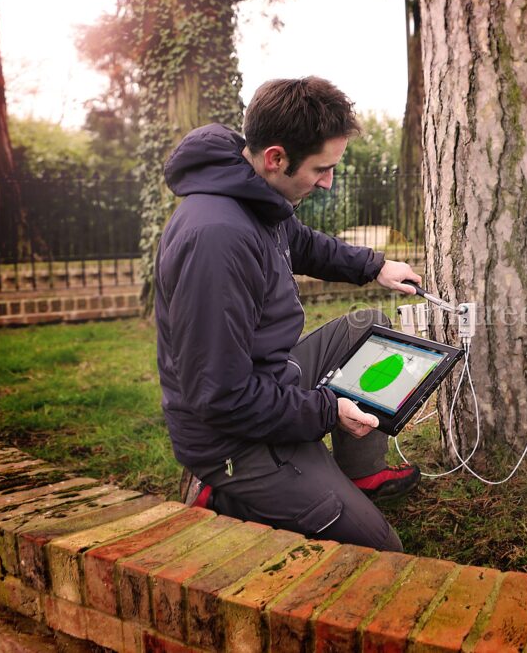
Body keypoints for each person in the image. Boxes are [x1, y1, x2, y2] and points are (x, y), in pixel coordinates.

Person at [154, 77, 422, 552]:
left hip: (271, 381)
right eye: (322, 169)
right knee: (383, 553)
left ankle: (360, 474)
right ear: (276, 157)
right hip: (233, 440)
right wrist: (327, 410)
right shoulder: (217, 240)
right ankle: (225, 497)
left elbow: (301, 243)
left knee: (366, 327)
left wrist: (376, 266)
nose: (328, 181)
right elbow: (221, 399)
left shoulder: (255, 193)